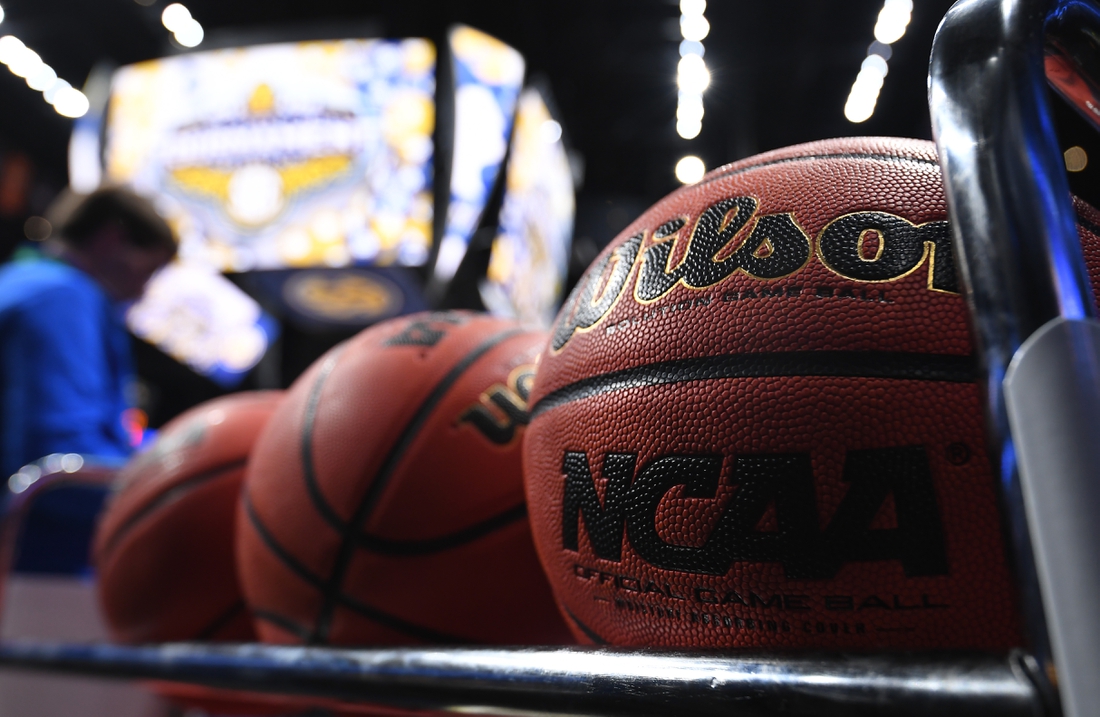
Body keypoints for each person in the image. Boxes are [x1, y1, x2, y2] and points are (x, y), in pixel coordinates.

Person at [0, 187, 176, 479]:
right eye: (148, 271)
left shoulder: (22, 278)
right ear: (111, 240)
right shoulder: (62, 298)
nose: (142, 291)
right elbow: (63, 458)